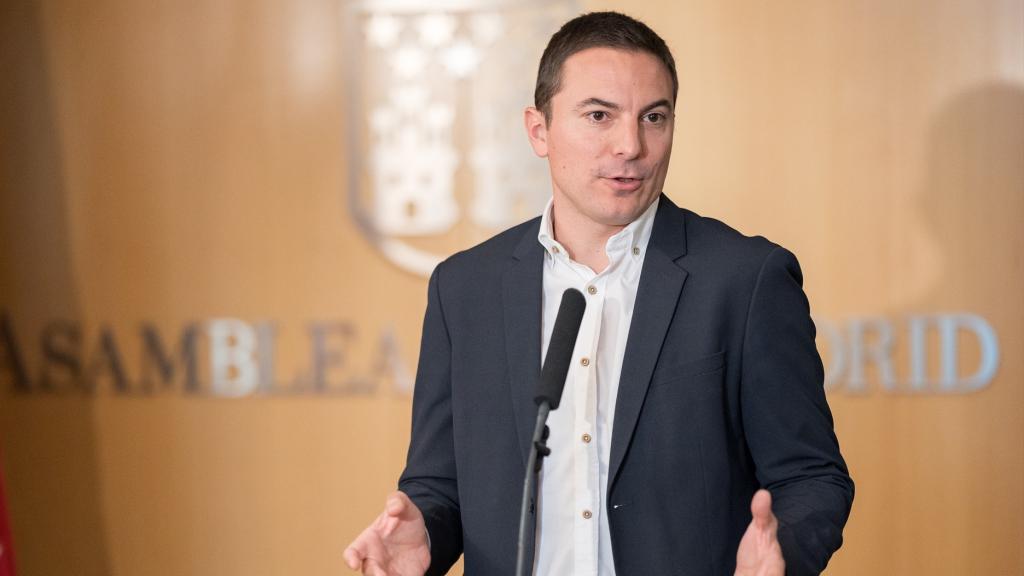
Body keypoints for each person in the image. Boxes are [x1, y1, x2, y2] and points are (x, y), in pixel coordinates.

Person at [345, 11, 853, 576]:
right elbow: (440, 485)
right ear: (538, 130)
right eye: (599, 116)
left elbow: (811, 477)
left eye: (653, 117)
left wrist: (784, 551)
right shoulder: (465, 288)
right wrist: (423, 534)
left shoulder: (744, 280)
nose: (631, 145)